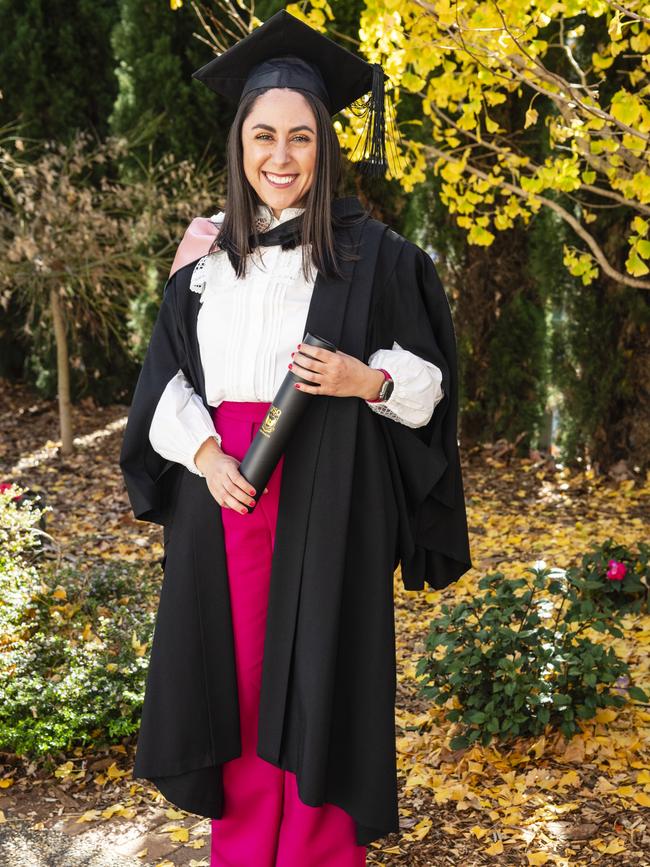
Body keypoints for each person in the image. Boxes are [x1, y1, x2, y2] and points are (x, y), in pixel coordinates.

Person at [119, 9, 472, 866]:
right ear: (240, 141)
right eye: (264, 135)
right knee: (231, 687)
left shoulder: (378, 258)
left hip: (332, 492)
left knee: (323, 679)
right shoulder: (202, 261)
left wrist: (365, 378)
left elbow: (429, 386)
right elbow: (165, 383)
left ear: (326, 147)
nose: (281, 157)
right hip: (228, 493)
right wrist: (204, 456)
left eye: (302, 138)